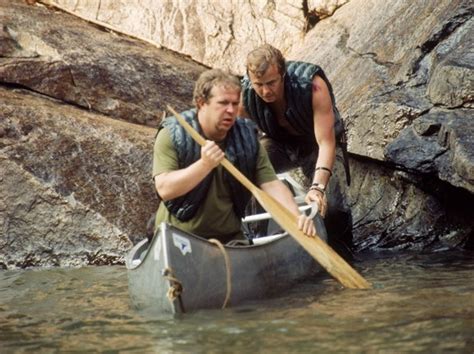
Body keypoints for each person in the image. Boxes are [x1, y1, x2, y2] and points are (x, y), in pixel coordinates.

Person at [152, 69, 316, 243]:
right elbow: (164, 189)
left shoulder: (247, 138)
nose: (231, 110)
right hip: (178, 238)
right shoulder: (172, 135)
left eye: (235, 103)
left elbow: (271, 184)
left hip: (229, 239)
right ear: (201, 103)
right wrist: (204, 165)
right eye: (223, 103)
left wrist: (296, 216)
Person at [239, 44, 352, 250]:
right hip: (279, 142)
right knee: (247, 167)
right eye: (259, 84)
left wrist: (317, 188)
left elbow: (326, 142)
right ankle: (256, 241)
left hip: (317, 143)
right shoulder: (245, 95)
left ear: (283, 74)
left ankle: (343, 252)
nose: (265, 91)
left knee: (334, 206)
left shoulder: (313, 86)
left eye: (271, 83)